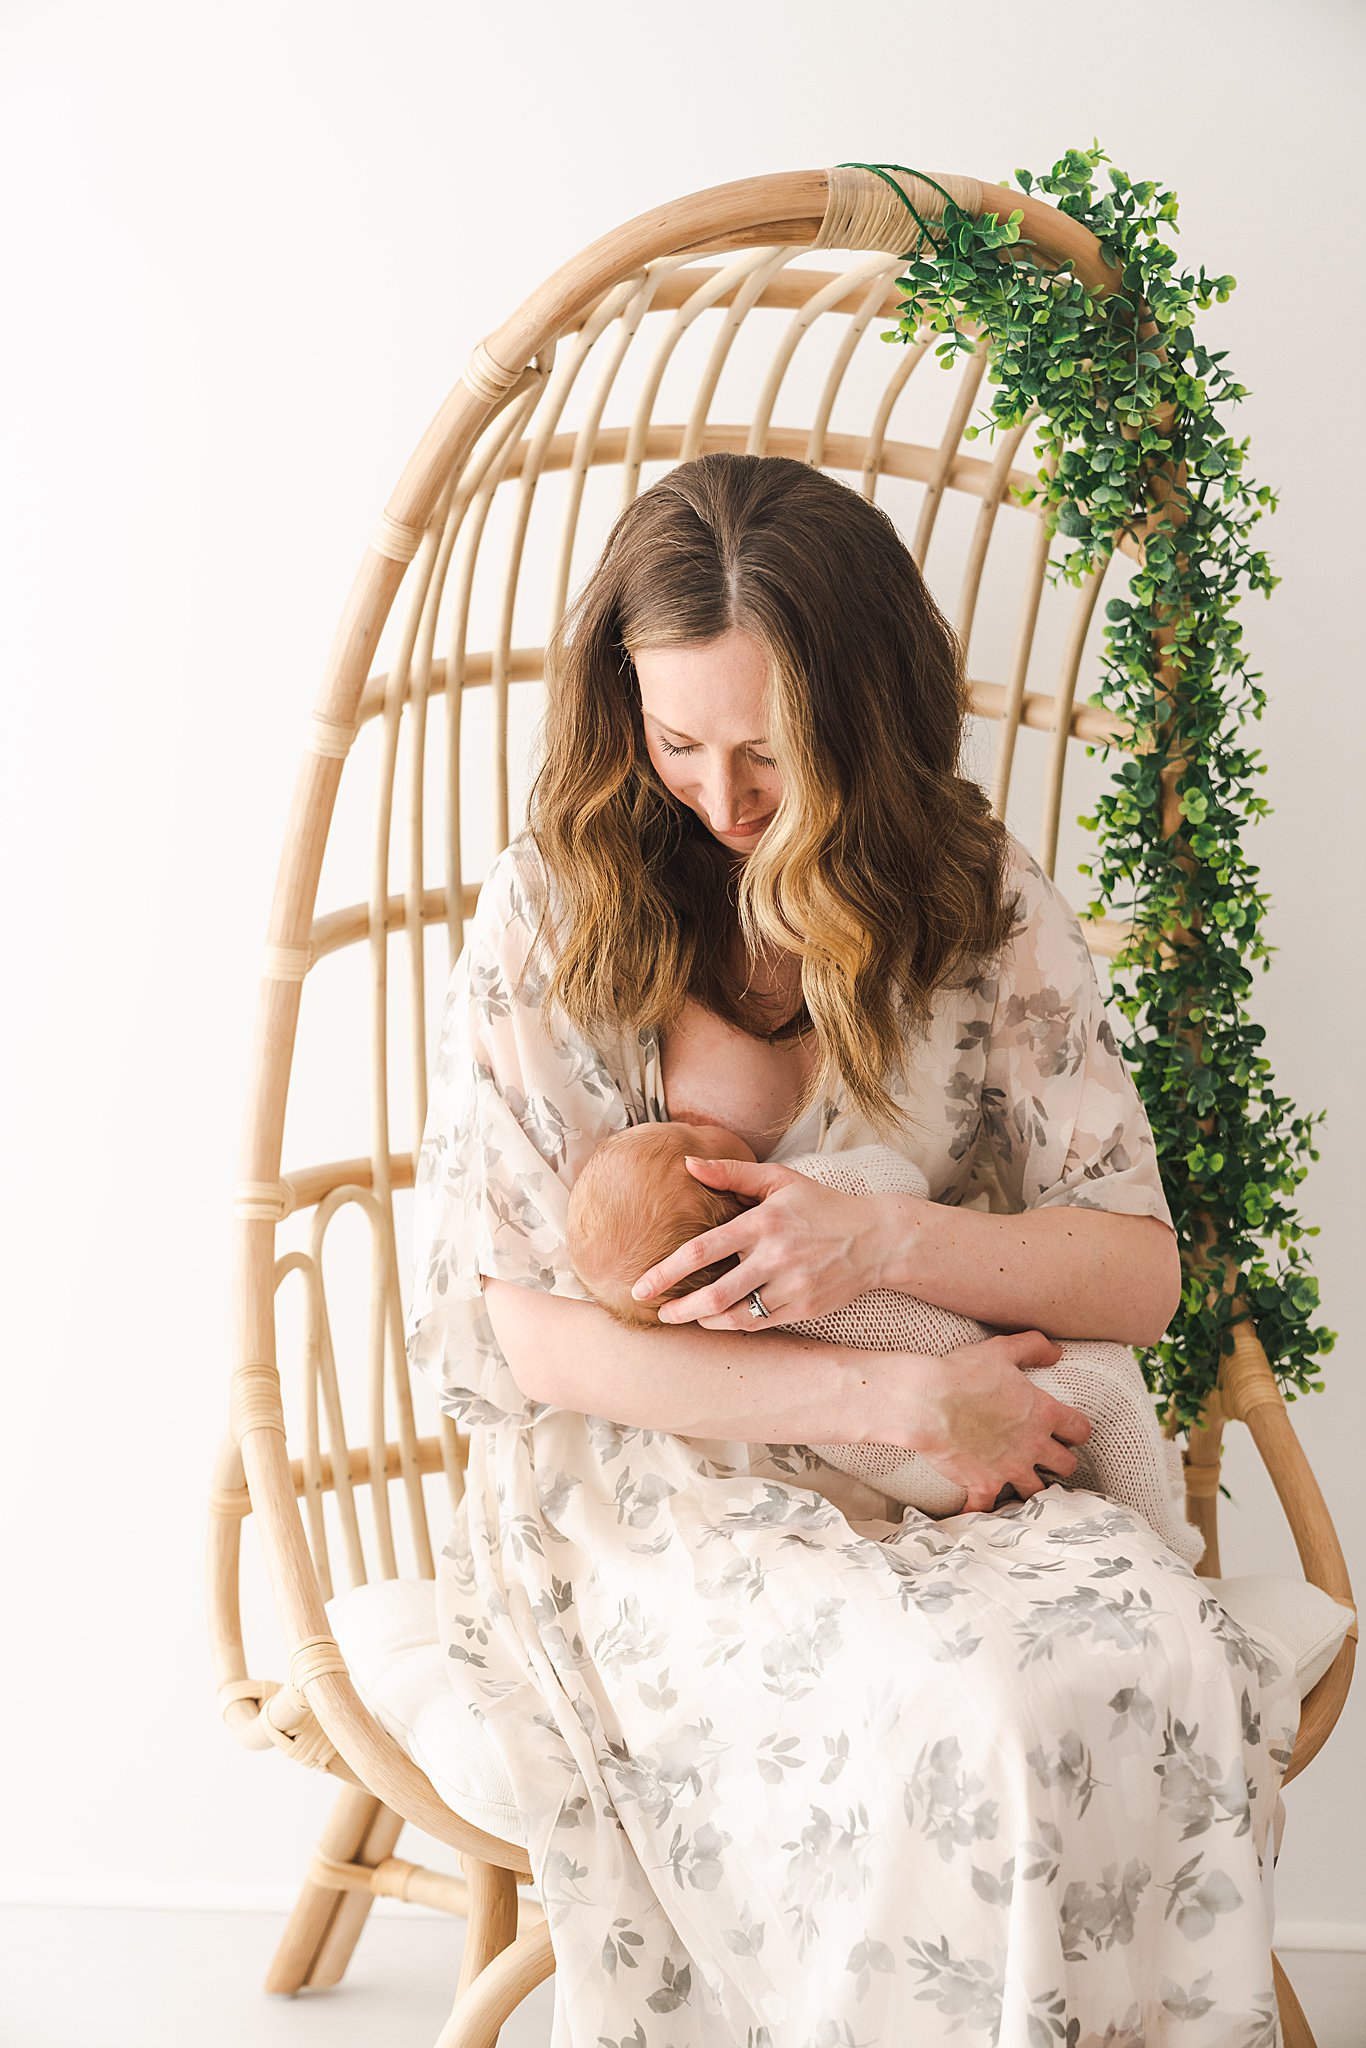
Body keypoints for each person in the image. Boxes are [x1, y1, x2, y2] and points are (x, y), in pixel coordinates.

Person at [404, 452, 1300, 2046]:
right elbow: (528, 1332)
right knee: (937, 1715)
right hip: (667, 1482)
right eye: (676, 742)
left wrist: (883, 1237)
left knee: (1133, 1663)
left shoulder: (978, 903)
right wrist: (880, 1402)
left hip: (980, 1462)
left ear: (868, 721)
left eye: (771, 751)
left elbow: (1136, 1273)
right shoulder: (557, 910)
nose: (724, 800)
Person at [562, 1117, 1207, 1561]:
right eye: (689, 1135)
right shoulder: (802, 1197)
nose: (703, 1123)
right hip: (987, 1383)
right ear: (718, 1176)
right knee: (1106, 1389)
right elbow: (896, 1177)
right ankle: (1167, 1542)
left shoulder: (727, 1329)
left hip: (921, 1478)